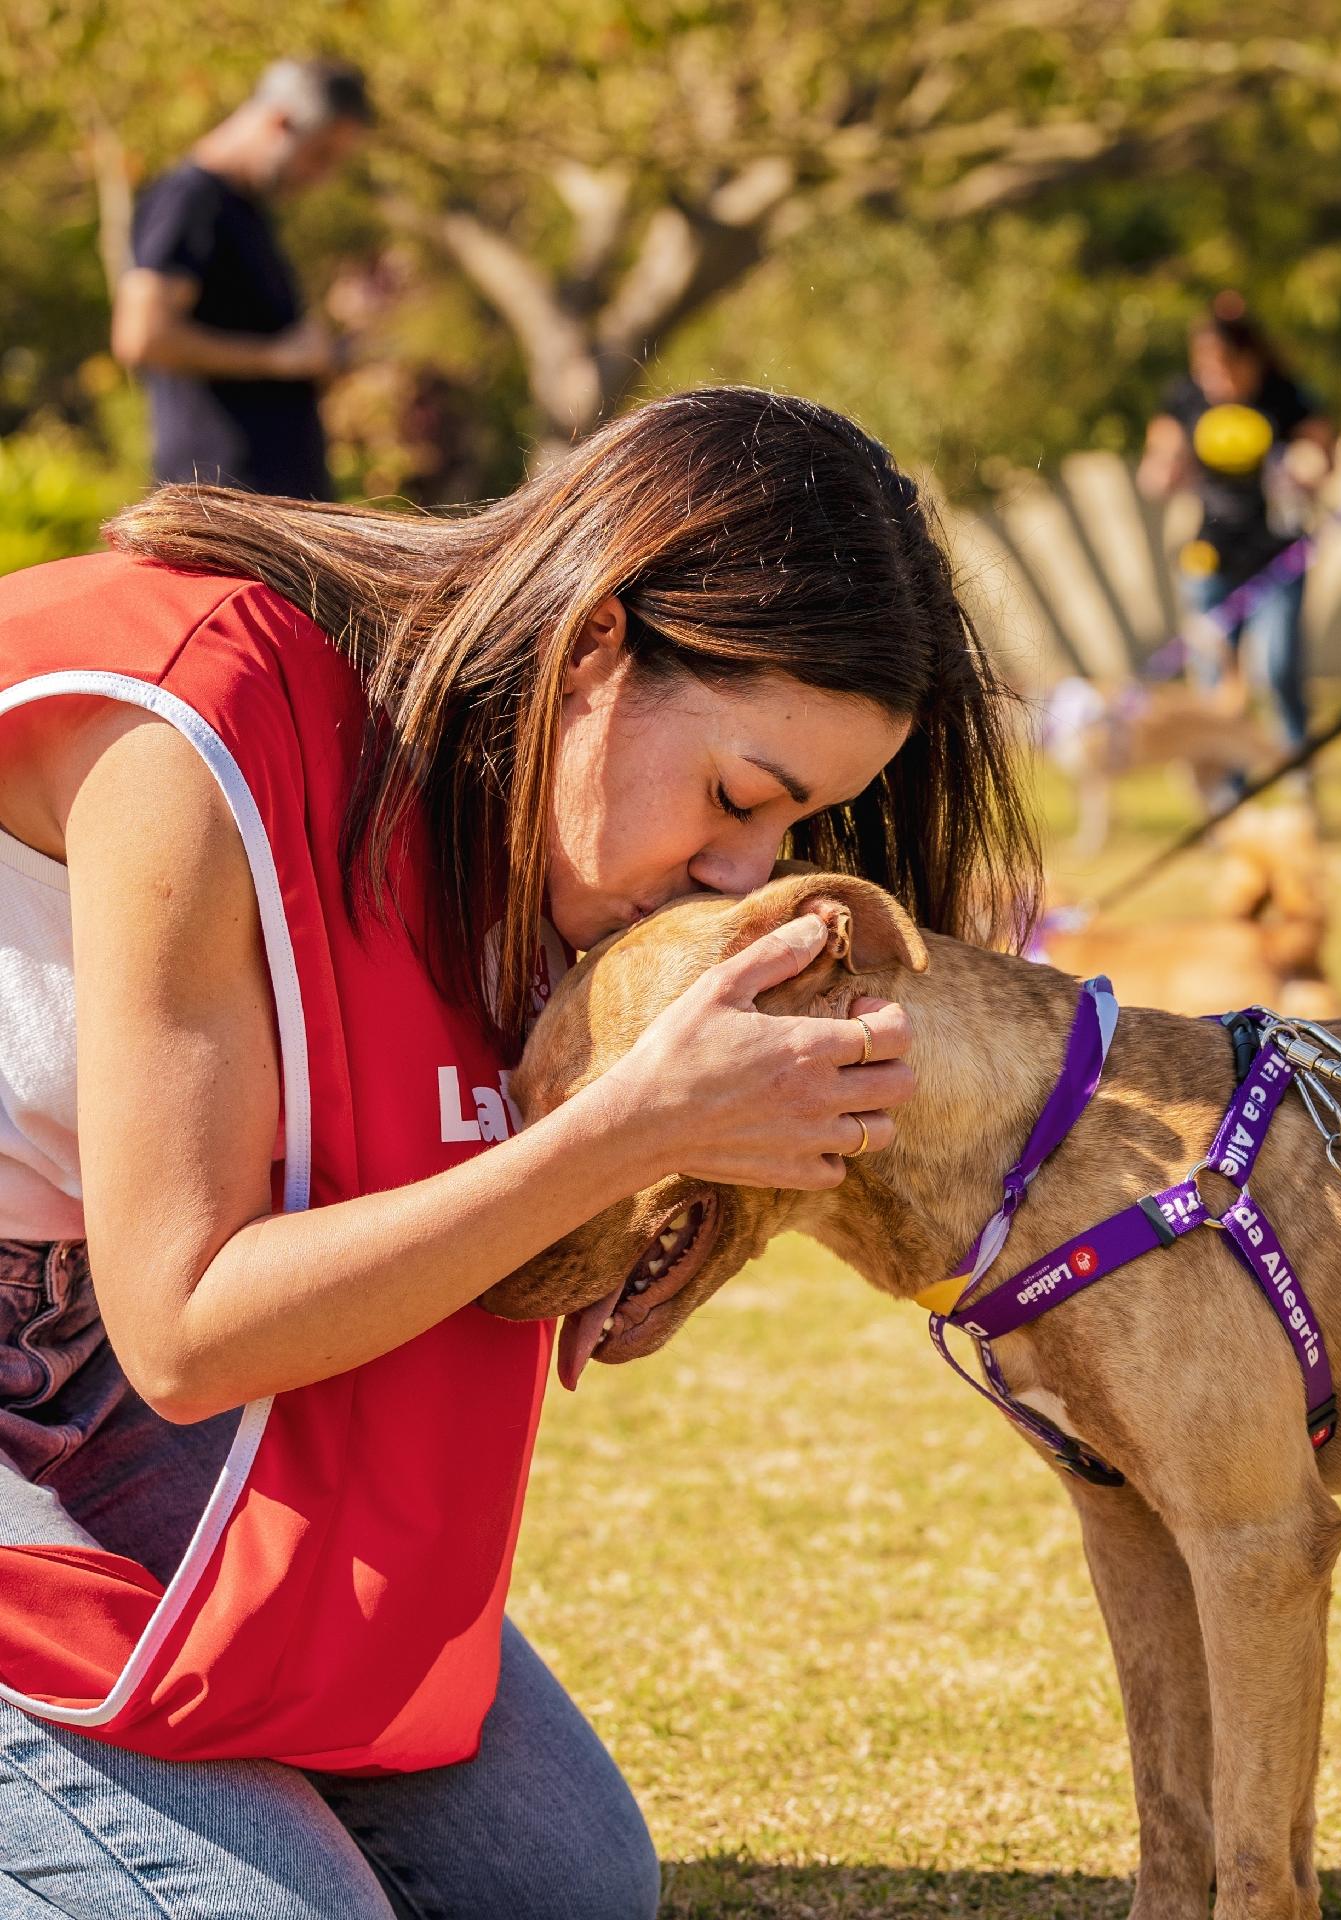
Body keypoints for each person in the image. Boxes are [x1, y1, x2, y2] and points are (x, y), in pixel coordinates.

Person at [0, 385, 1038, 1915]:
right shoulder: (194, 728)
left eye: (790, 827)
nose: (734, 868)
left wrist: (677, 1199)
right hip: (118, 1344)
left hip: (73, 1347)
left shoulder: (499, 795)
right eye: (736, 797)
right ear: (594, 640)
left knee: (561, 1883)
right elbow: (192, 1325)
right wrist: (616, 1138)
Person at [110, 57, 373, 499]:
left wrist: (334, 343)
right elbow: (141, 337)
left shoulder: (242, 210)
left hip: (265, 505)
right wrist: (275, 357)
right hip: (225, 506)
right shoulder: (191, 200)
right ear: (280, 122)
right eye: (321, 154)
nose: (322, 176)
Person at [1137, 291, 1336, 751]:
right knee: (1214, 681)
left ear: (1251, 360)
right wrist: (1165, 471)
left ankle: (1295, 776)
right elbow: (1156, 466)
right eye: (1204, 368)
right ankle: (1229, 797)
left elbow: (1323, 454)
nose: (1213, 379)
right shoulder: (1185, 398)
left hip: (1278, 557)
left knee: (1277, 667)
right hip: (1211, 556)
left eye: (1223, 367)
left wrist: (1306, 469)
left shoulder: (1285, 394)